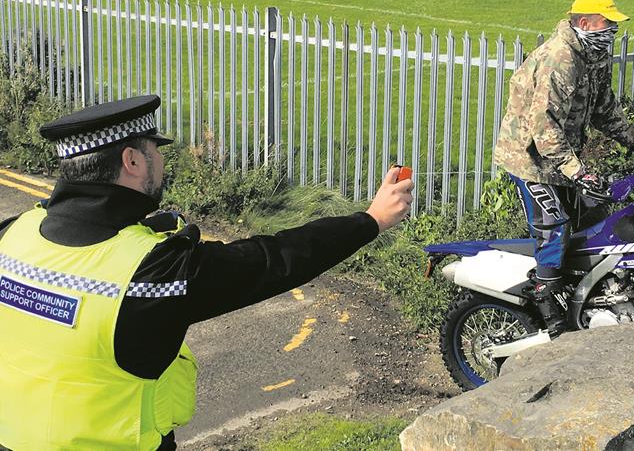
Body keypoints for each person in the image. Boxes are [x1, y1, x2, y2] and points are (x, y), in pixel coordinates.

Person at [0, 95, 413, 450]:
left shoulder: (12, 236)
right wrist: (371, 219)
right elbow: (275, 259)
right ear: (131, 160)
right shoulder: (153, 271)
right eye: (155, 151)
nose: (162, 160)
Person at [493, 0, 634, 333]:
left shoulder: (594, 56)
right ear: (584, 23)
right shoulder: (559, 58)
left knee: (592, 218)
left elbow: (603, 107)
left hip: (561, 156)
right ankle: (546, 300)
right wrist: (577, 171)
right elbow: (543, 126)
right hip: (530, 159)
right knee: (556, 225)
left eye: (614, 25)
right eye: (606, 23)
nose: (612, 30)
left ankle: (582, 297)